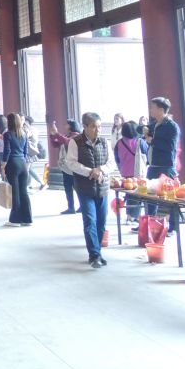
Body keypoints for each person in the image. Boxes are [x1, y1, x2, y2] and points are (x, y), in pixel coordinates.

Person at [65, 112, 115, 268]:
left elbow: (111, 163)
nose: (97, 130)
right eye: (94, 127)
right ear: (85, 127)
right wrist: (90, 172)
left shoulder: (104, 142)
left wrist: (101, 170)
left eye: (99, 126)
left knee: (101, 222)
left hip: (103, 187)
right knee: (90, 221)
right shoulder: (75, 142)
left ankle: (98, 252)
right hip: (84, 187)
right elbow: (71, 163)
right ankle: (94, 255)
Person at [143, 97, 180, 226]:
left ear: (161, 110)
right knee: (149, 197)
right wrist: (145, 130)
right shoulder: (155, 124)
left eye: (153, 107)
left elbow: (170, 147)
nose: (150, 110)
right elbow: (140, 130)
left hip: (166, 166)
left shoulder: (171, 126)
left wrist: (152, 141)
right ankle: (150, 225)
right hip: (153, 165)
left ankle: (173, 227)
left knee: (169, 198)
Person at [1, 112, 32, 226]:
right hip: (22, 163)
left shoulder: (8, 134)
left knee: (15, 192)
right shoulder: (24, 134)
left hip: (12, 163)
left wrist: (3, 164)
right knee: (23, 191)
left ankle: (15, 219)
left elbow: (7, 150)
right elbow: (25, 152)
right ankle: (27, 219)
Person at [113, 120, 147, 221]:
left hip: (125, 173)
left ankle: (130, 215)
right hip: (138, 173)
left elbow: (117, 159)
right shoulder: (140, 142)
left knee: (129, 194)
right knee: (138, 194)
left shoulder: (119, 143)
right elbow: (147, 153)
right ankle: (133, 216)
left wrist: (121, 168)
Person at [50, 120, 79, 214]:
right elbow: (55, 144)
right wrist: (52, 135)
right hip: (66, 166)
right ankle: (71, 207)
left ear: (71, 126)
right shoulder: (67, 135)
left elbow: (67, 142)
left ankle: (82, 206)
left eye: (67, 124)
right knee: (68, 187)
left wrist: (56, 133)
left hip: (73, 166)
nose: (65, 125)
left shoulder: (76, 136)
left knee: (77, 187)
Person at [24, 116, 46, 190]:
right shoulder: (34, 129)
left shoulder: (29, 130)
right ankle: (29, 184)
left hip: (29, 151)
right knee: (29, 168)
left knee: (27, 169)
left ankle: (40, 183)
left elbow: (30, 139)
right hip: (31, 151)